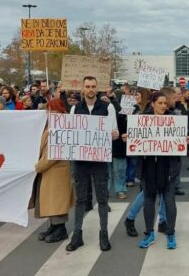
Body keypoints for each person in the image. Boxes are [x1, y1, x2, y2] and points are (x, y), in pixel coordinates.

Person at [66, 76, 119, 252]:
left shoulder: (107, 107)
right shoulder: (75, 108)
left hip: (99, 160)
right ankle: (77, 234)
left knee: (102, 198)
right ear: (83, 88)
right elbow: (71, 132)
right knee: (80, 199)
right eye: (87, 86)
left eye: (93, 86)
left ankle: (103, 234)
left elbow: (115, 130)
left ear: (97, 88)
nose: (90, 89)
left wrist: (114, 134)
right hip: (81, 160)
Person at [134, 92, 180, 249]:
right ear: (152, 104)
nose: (163, 106)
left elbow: (188, 134)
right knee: (149, 200)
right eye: (160, 103)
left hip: (168, 165)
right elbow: (135, 139)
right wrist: (129, 138)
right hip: (148, 165)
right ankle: (149, 233)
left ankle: (171, 232)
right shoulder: (142, 119)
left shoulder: (174, 119)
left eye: (165, 103)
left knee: (169, 201)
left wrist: (187, 139)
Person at [31, 102, 77, 244]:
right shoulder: (47, 126)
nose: (51, 113)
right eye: (50, 110)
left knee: (57, 200)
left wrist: (38, 167)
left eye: (55, 110)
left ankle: (60, 229)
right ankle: (53, 226)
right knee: (50, 200)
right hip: (48, 171)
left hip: (57, 170)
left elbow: (54, 154)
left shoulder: (63, 127)